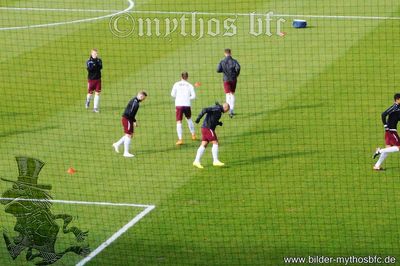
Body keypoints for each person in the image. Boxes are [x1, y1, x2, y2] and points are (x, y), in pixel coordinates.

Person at [193, 102, 230, 168]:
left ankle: (196, 161)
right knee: (215, 142)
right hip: (208, 128)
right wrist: (198, 118)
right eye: (227, 110)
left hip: (205, 128)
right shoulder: (217, 109)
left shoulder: (218, 110)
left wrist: (218, 123)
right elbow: (204, 109)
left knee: (204, 144)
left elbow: (213, 119)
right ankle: (215, 161)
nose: (227, 112)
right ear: (225, 107)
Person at [112, 91, 148, 158]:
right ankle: (126, 152)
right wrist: (133, 121)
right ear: (141, 96)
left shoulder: (135, 101)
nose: (143, 99)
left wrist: (134, 121)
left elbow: (132, 113)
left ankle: (117, 144)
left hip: (128, 119)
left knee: (130, 135)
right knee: (128, 135)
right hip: (127, 119)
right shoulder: (135, 103)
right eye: (144, 98)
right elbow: (130, 113)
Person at [373, 93, 400, 170]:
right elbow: (383, 114)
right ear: (397, 99)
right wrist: (385, 125)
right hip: (391, 130)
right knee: (399, 147)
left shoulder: (398, 107)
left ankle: (376, 166)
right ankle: (379, 151)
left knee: (387, 149)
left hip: (389, 131)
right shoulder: (394, 107)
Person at [171, 71, 197, 145]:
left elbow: (172, 94)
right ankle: (193, 135)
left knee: (179, 121)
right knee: (189, 119)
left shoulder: (176, 84)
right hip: (187, 104)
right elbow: (193, 96)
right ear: (187, 77)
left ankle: (180, 139)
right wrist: (187, 98)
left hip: (179, 105)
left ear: (181, 77)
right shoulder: (190, 85)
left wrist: (179, 97)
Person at [217, 48, 240, 118]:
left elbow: (218, 70)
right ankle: (231, 111)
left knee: (227, 94)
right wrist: (236, 74)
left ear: (225, 53)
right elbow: (238, 68)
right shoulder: (234, 61)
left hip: (226, 80)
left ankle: (227, 109)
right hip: (233, 79)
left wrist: (224, 71)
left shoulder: (222, 61)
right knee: (232, 94)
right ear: (230, 53)